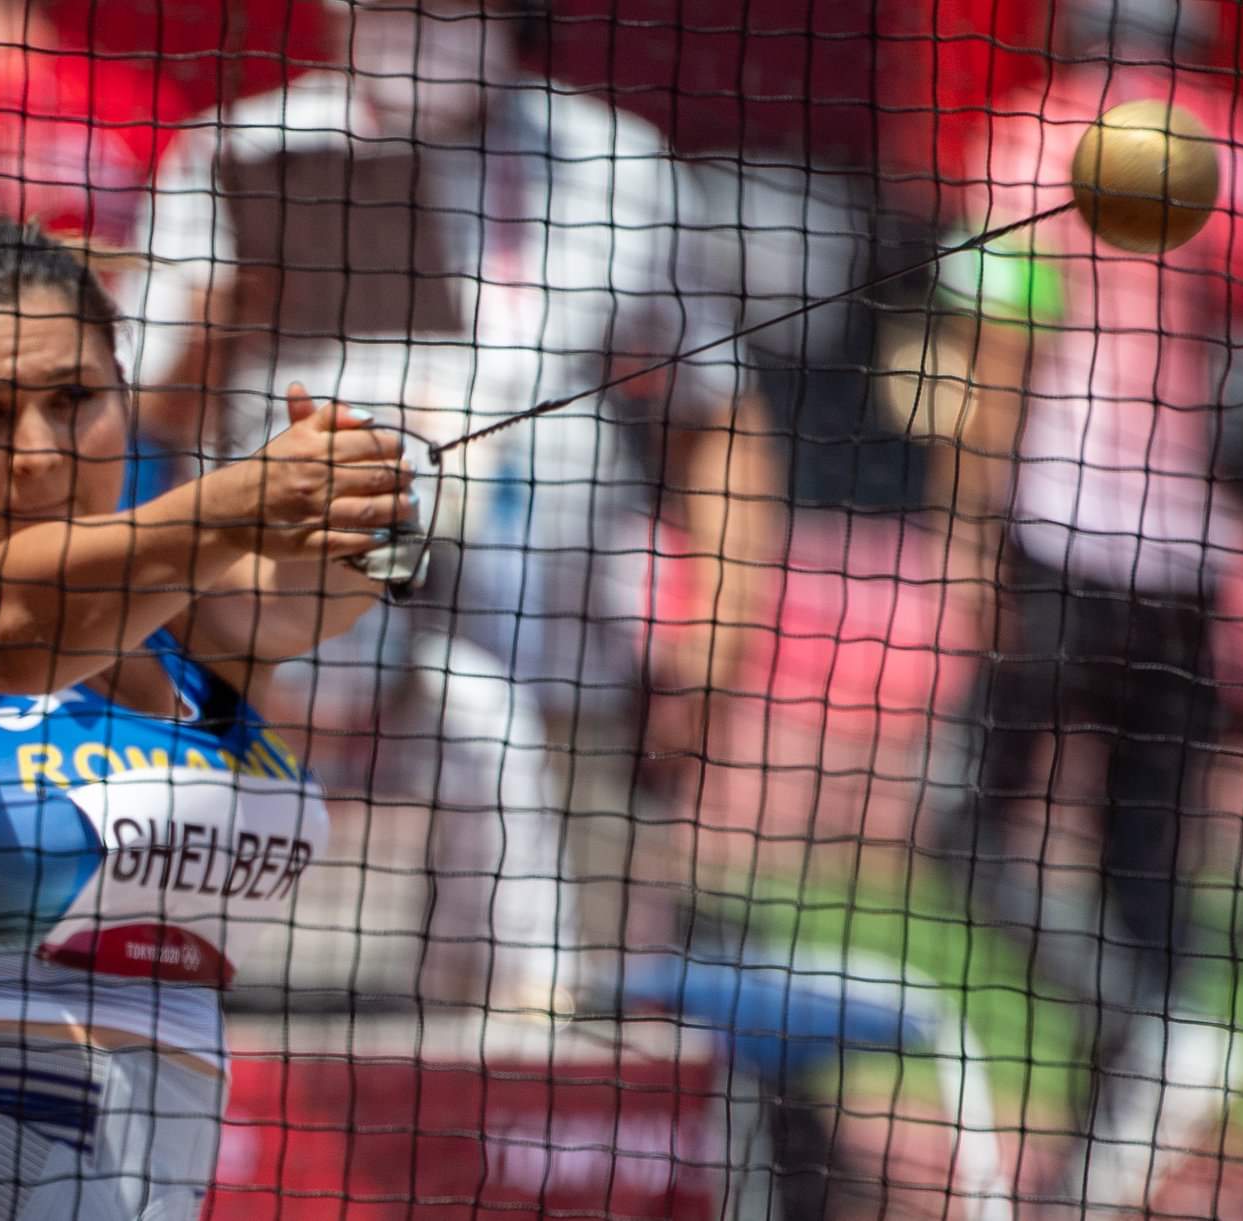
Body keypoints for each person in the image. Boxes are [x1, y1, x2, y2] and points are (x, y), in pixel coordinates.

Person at [0, 216, 413, 1219]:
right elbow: (15, 624)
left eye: (74, 400)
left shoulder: (194, 632)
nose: (39, 454)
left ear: (125, 399)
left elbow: (328, 577)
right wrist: (238, 501)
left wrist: (373, 496)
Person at [131, 0, 772, 1011]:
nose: (413, 28)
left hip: (554, 661)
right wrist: (232, 305)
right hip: (282, 671)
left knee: (548, 1004)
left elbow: (716, 414)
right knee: (227, 994)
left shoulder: (614, 162)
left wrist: (717, 642)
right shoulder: (245, 152)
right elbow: (145, 414)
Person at [929, 0, 1243, 1207]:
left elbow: (996, 353)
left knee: (961, 833)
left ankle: (1135, 1028)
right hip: (1194, 578)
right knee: (1146, 871)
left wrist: (964, 540)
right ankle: (1121, 1112)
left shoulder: (1033, 138)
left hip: (1054, 545)